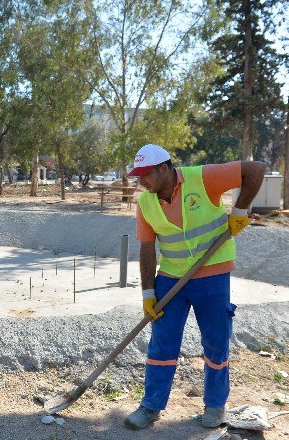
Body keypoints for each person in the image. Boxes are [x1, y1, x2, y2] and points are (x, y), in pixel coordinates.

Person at [124, 144, 265, 430]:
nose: (141, 182)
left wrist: (239, 210)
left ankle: (215, 405)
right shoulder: (146, 203)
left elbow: (256, 169)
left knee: (215, 342)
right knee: (162, 343)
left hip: (212, 276)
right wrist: (148, 292)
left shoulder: (203, 178)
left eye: (145, 175)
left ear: (164, 168)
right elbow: (147, 248)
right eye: (137, 176)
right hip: (171, 280)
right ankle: (151, 405)